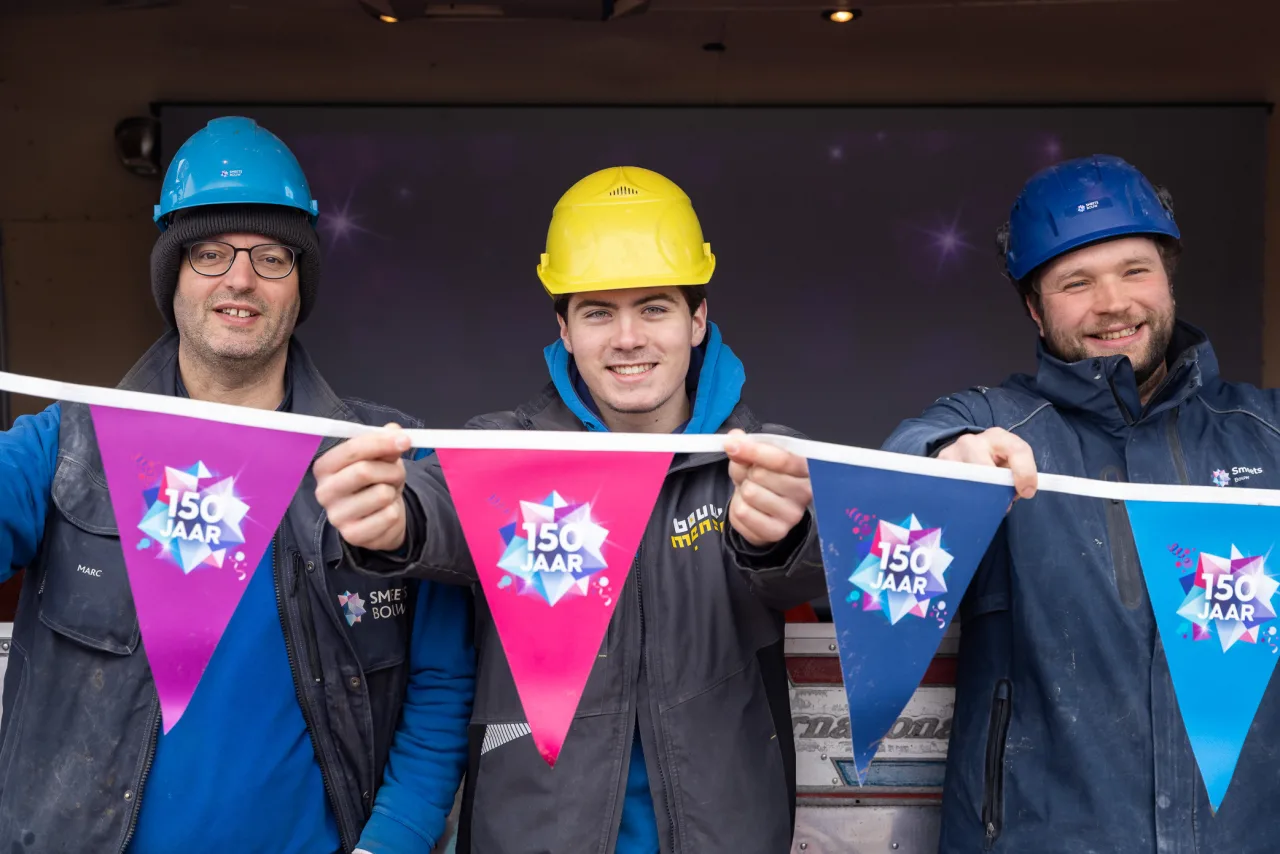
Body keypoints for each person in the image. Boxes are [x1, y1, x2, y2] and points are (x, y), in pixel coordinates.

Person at [312, 165, 828, 852]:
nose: (627, 337)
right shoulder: (507, 452)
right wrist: (390, 516)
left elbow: (824, 566)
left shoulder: (764, 462)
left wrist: (785, 537)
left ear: (698, 319)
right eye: (597, 312)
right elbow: (432, 506)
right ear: (564, 327)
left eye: (654, 307)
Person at [0, 116, 473, 854]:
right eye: (210, 253)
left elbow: (440, 689)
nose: (240, 279)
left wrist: (393, 844)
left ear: (300, 283)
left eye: (272, 258)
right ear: (174, 275)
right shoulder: (68, 449)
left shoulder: (387, 462)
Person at [883, 154, 1280, 853]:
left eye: (1134, 271)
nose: (1113, 303)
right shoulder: (993, 424)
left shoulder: (1265, 434)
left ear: (1167, 280)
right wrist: (943, 466)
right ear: (1035, 309)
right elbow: (901, 466)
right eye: (1077, 282)